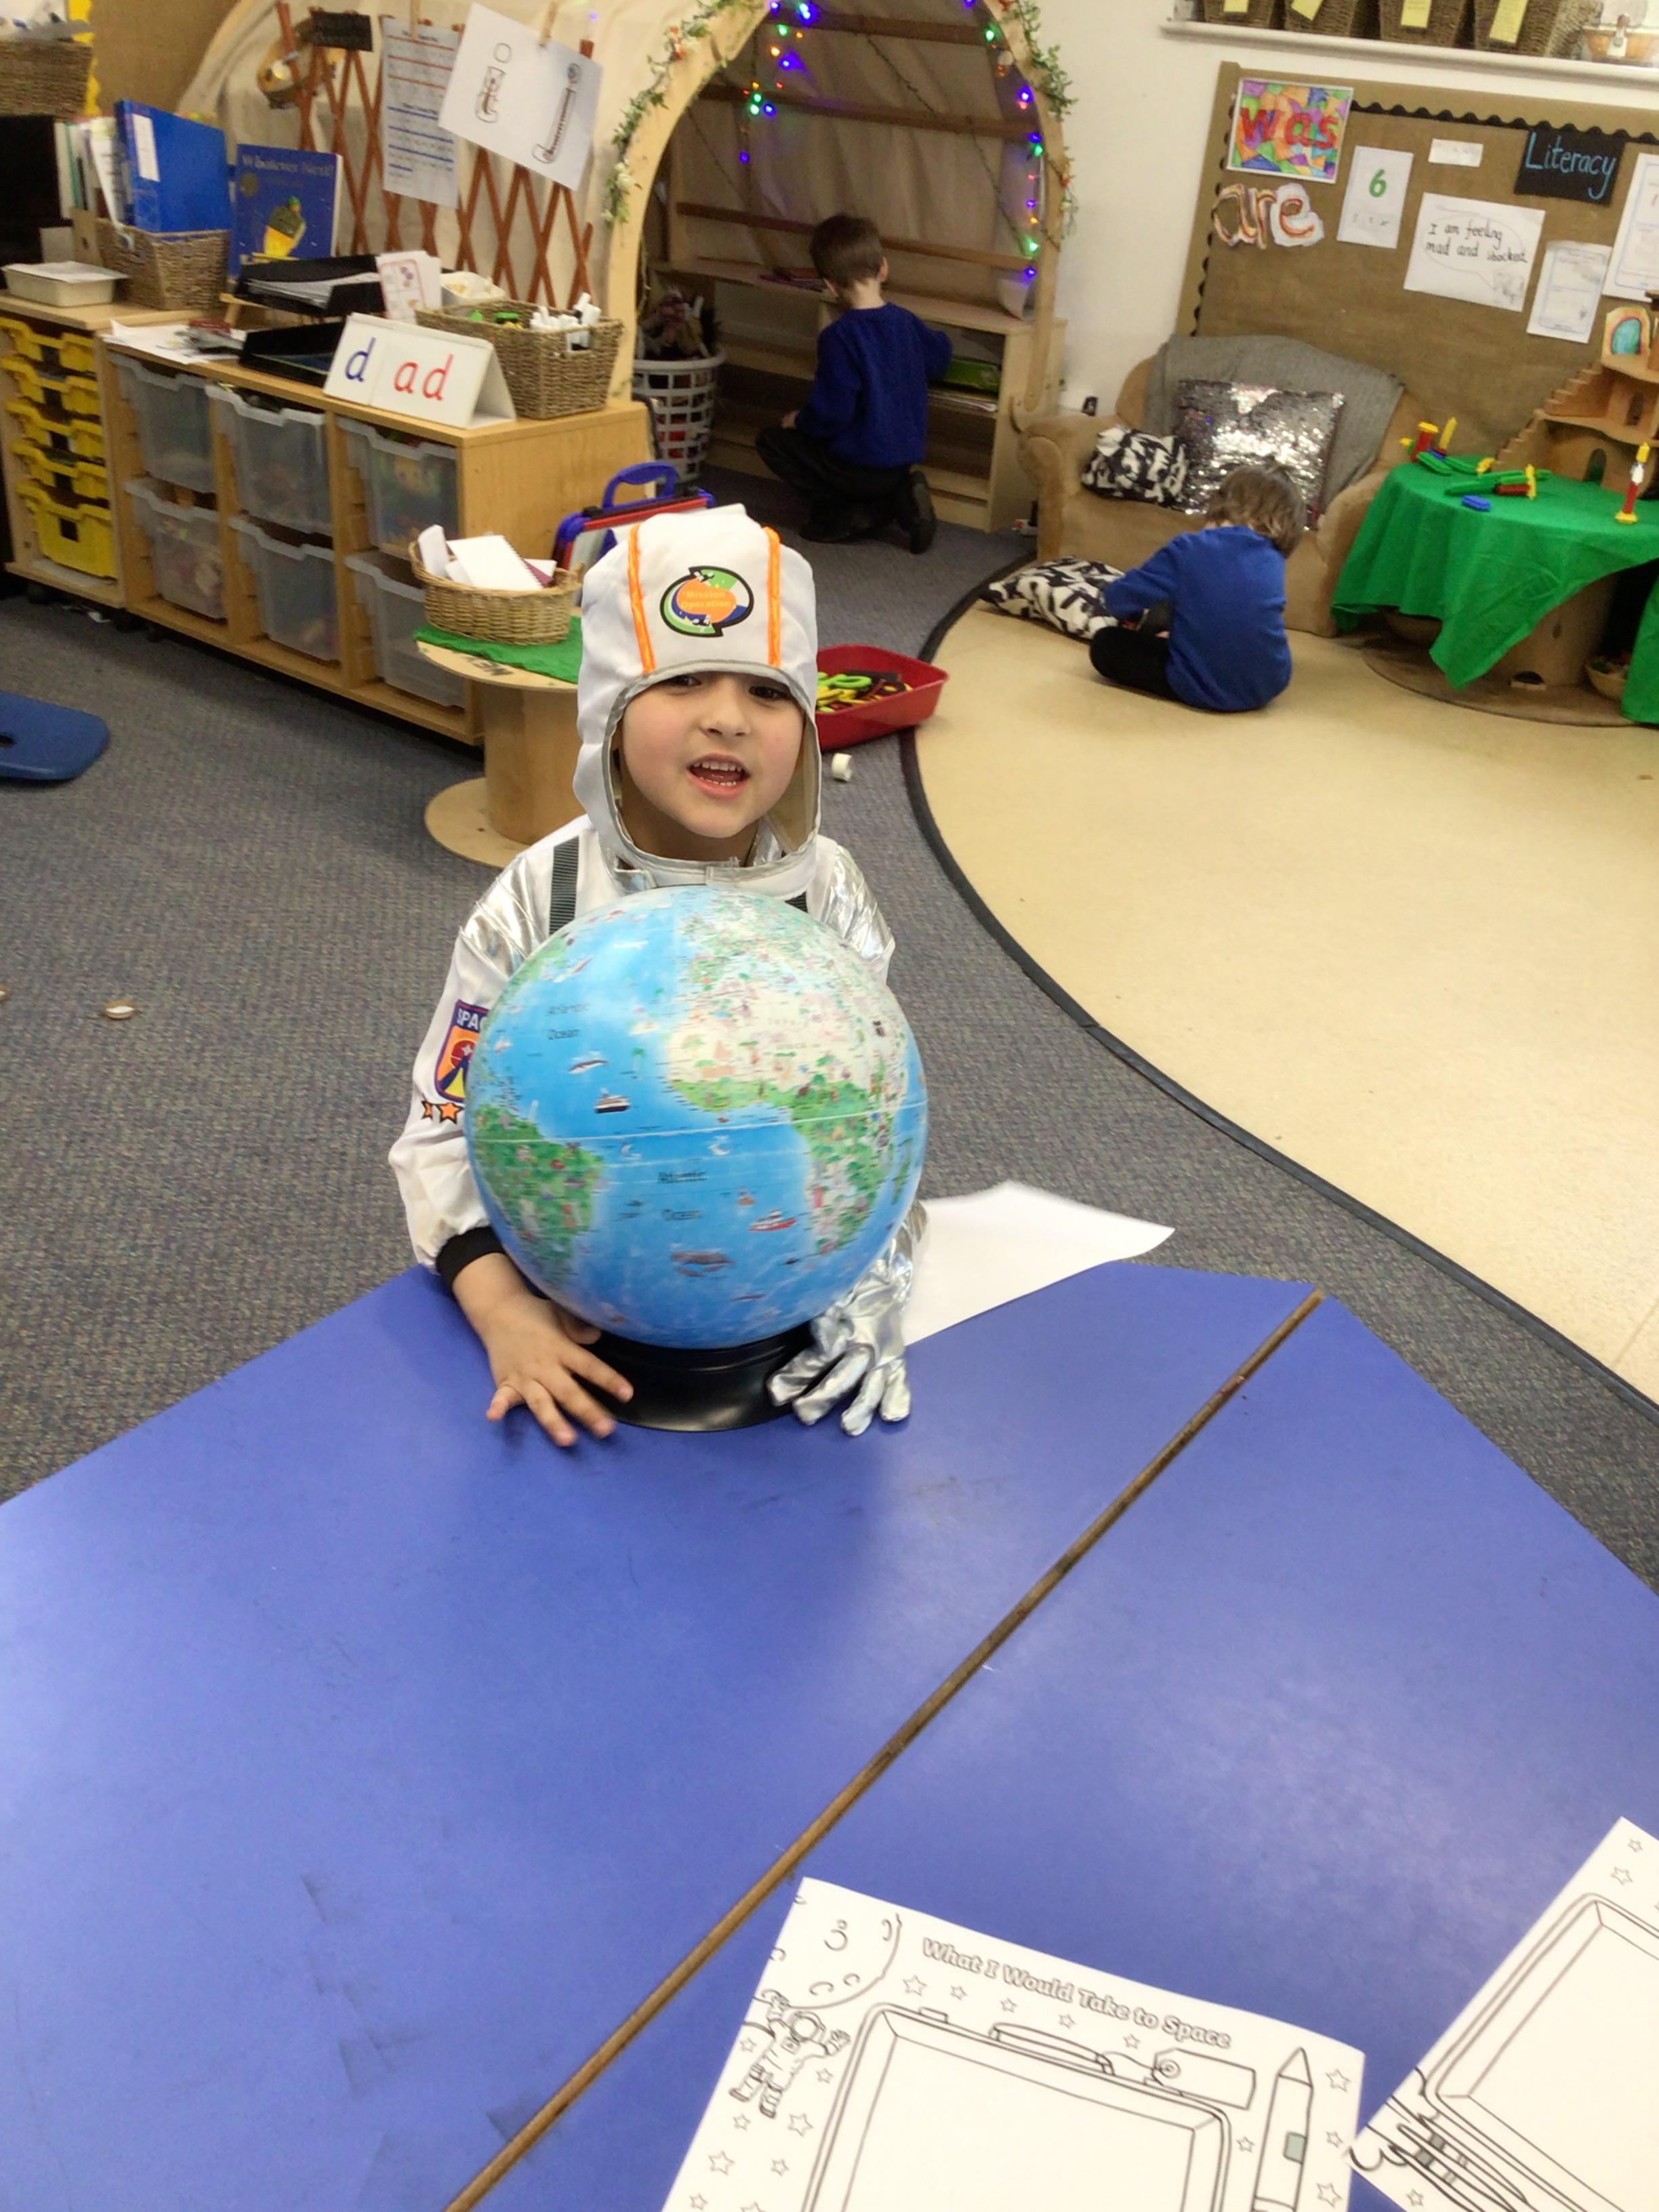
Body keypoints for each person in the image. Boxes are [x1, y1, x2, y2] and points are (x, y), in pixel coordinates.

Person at [391, 504, 921, 1447]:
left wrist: (871, 1278)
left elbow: (875, 1111)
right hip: (581, 1305)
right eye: (682, 681)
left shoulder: (830, 892)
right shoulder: (541, 895)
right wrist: (501, 1309)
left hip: (775, 1308)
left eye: (767, 694)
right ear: (608, 713)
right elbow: (443, 1126)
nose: (728, 717)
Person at [754, 213, 951, 552]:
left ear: (830, 285)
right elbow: (940, 359)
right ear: (883, 268)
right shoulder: (906, 322)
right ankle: (900, 496)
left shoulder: (839, 337)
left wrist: (799, 421)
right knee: (855, 463)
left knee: (771, 441)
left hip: (857, 467)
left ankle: (857, 512)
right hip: (902, 462)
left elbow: (831, 414)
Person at [1088, 463, 1304, 713]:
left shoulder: (1188, 548)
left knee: (1106, 644)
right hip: (1268, 684)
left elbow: (1119, 600)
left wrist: (1124, 606)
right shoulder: (1274, 559)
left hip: (1198, 684)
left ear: (1219, 504)